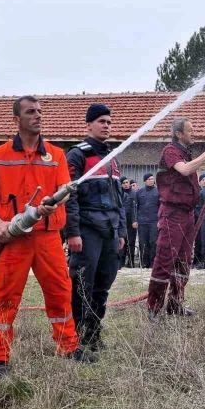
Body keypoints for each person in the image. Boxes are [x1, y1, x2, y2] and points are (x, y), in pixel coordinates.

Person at [0, 95, 82, 378]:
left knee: (60, 292)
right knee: (6, 297)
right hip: (14, 238)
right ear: (16, 119)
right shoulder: (0, 154)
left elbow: (64, 191)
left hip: (48, 238)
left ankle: (68, 347)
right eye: (30, 112)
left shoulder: (56, 155)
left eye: (39, 111)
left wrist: (53, 203)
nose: (37, 116)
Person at [65, 103, 127, 353]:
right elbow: (70, 197)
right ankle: (78, 335)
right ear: (88, 124)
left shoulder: (112, 158)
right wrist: (73, 232)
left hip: (110, 231)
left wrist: (121, 231)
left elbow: (119, 198)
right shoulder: (77, 155)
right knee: (83, 284)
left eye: (109, 122)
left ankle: (94, 332)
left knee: (103, 283)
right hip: (87, 230)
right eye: (101, 121)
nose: (106, 126)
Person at [146, 119, 205, 320]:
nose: (194, 133)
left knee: (183, 262)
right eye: (191, 130)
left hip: (187, 214)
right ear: (179, 133)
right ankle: (154, 307)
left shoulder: (185, 153)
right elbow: (185, 170)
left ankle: (175, 304)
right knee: (165, 260)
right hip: (172, 214)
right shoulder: (170, 151)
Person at [134, 172, 159, 268]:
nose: (151, 181)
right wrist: (135, 220)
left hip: (154, 221)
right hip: (142, 221)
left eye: (152, 179)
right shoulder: (139, 192)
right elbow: (135, 207)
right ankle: (144, 263)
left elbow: (161, 207)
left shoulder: (158, 192)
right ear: (145, 181)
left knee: (153, 242)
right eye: (148, 179)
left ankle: (153, 263)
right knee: (143, 243)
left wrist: (160, 220)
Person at [119, 176, 137, 268]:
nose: (126, 184)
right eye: (124, 183)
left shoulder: (134, 193)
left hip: (131, 222)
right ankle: (121, 263)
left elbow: (135, 208)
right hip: (121, 222)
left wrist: (135, 220)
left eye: (127, 182)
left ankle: (131, 262)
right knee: (122, 242)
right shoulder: (119, 193)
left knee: (131, 242)